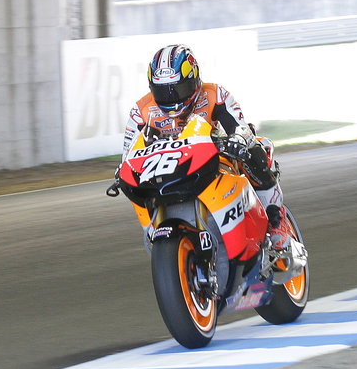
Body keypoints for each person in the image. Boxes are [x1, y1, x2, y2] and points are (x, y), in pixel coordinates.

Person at [124, 44, 306, 279]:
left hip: (213, 157)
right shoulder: (141, 110)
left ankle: (275, 218)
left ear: (194, 79)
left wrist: (238, 139)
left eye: (178, 88)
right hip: (168, 169)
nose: (171, 98)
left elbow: (240, 127)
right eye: (163, 92)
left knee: (255, 147)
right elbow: (129, 151)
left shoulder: (215, 95)